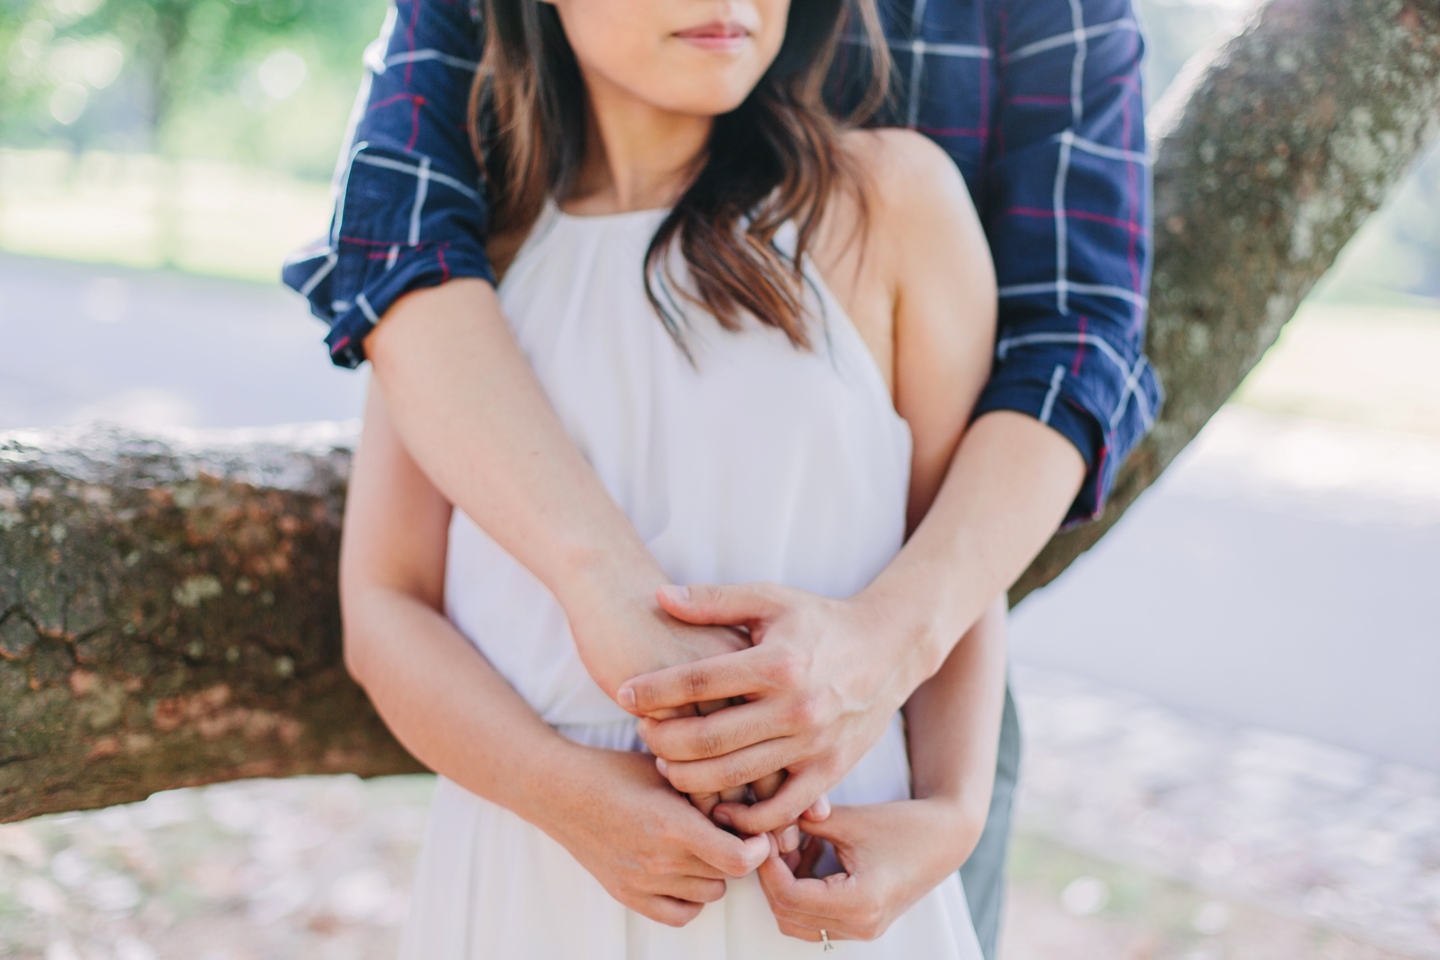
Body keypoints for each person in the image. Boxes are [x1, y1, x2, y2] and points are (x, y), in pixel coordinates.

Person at [284, 0, 1160, 955]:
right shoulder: (460, 278)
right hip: (539, 857)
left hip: (835, 855)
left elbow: (954, 536)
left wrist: (951, 812)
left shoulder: (892, 203)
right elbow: (385, 603)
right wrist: (557, 789)